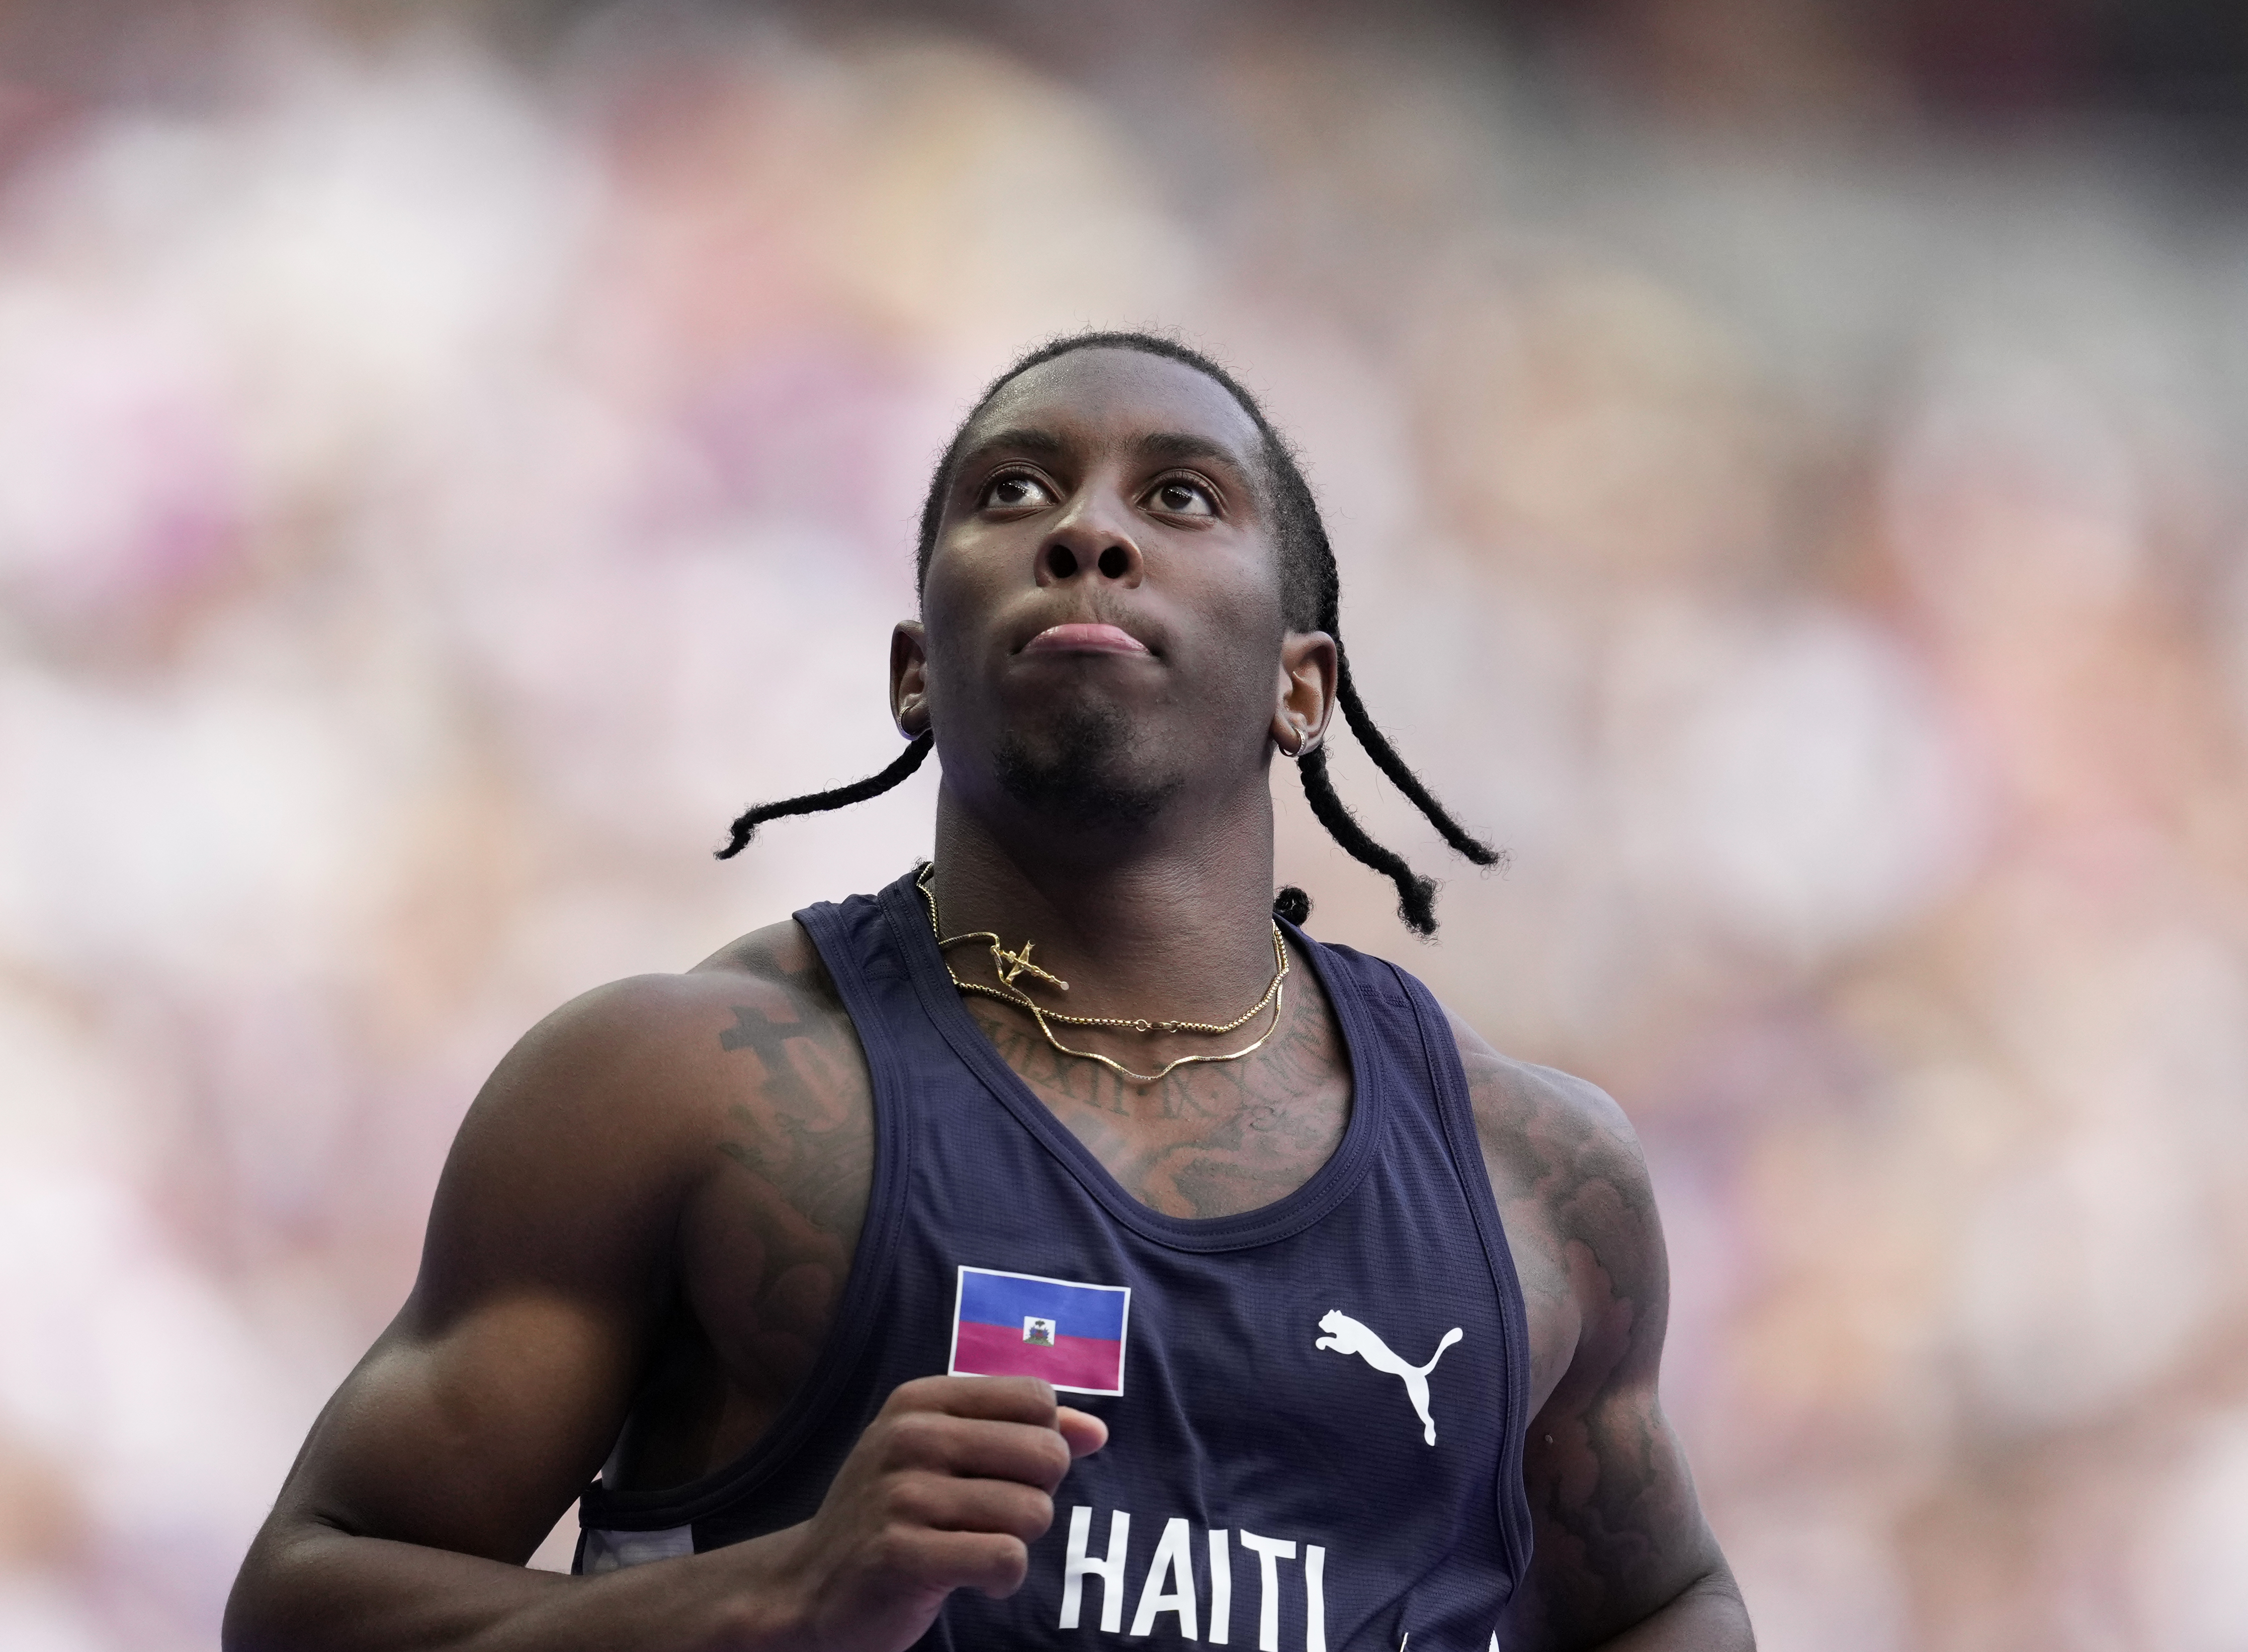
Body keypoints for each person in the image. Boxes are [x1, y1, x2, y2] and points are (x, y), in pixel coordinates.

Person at [223, 333, 1753, 1650]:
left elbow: (1667, 1604)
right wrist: (775, 1604)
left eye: (1179, 497)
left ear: (1304, 689)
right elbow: (301, 1603)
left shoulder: (1533, 1176)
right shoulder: (680, 1088)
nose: (1086, 532)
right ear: (913, 669)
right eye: (1013, 491)